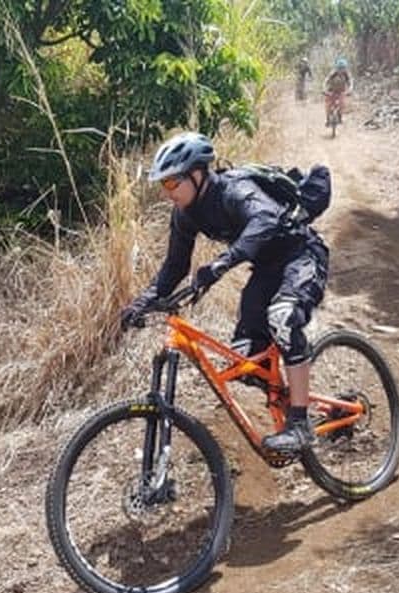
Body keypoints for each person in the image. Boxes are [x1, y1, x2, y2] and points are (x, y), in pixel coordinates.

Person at [120, 132, 329, 454]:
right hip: (265, 270)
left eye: (173, 183)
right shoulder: (185, 214)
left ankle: (301, 426)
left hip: (301, 256)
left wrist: (222, 262)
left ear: (197, 173)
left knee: (284, 317)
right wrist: (144, 301)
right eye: (164, 186)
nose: (168, 193)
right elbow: (175, 266)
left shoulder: (234, 189)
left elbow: (265, 219)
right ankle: (286, 396)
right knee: (245, 360)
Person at [323, 57, 353, 126]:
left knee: (342, 104)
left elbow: (350, 82)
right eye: (339, 68)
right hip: (331, 91)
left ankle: (340, 116)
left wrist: (350, 89)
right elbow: (326, 81)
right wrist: (324, 89)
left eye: (343, 68)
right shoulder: (333, 73)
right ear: (337, 67)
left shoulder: (346, 74)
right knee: (328, 104)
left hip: (341, 91)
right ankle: (327, 118)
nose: (341, 70)